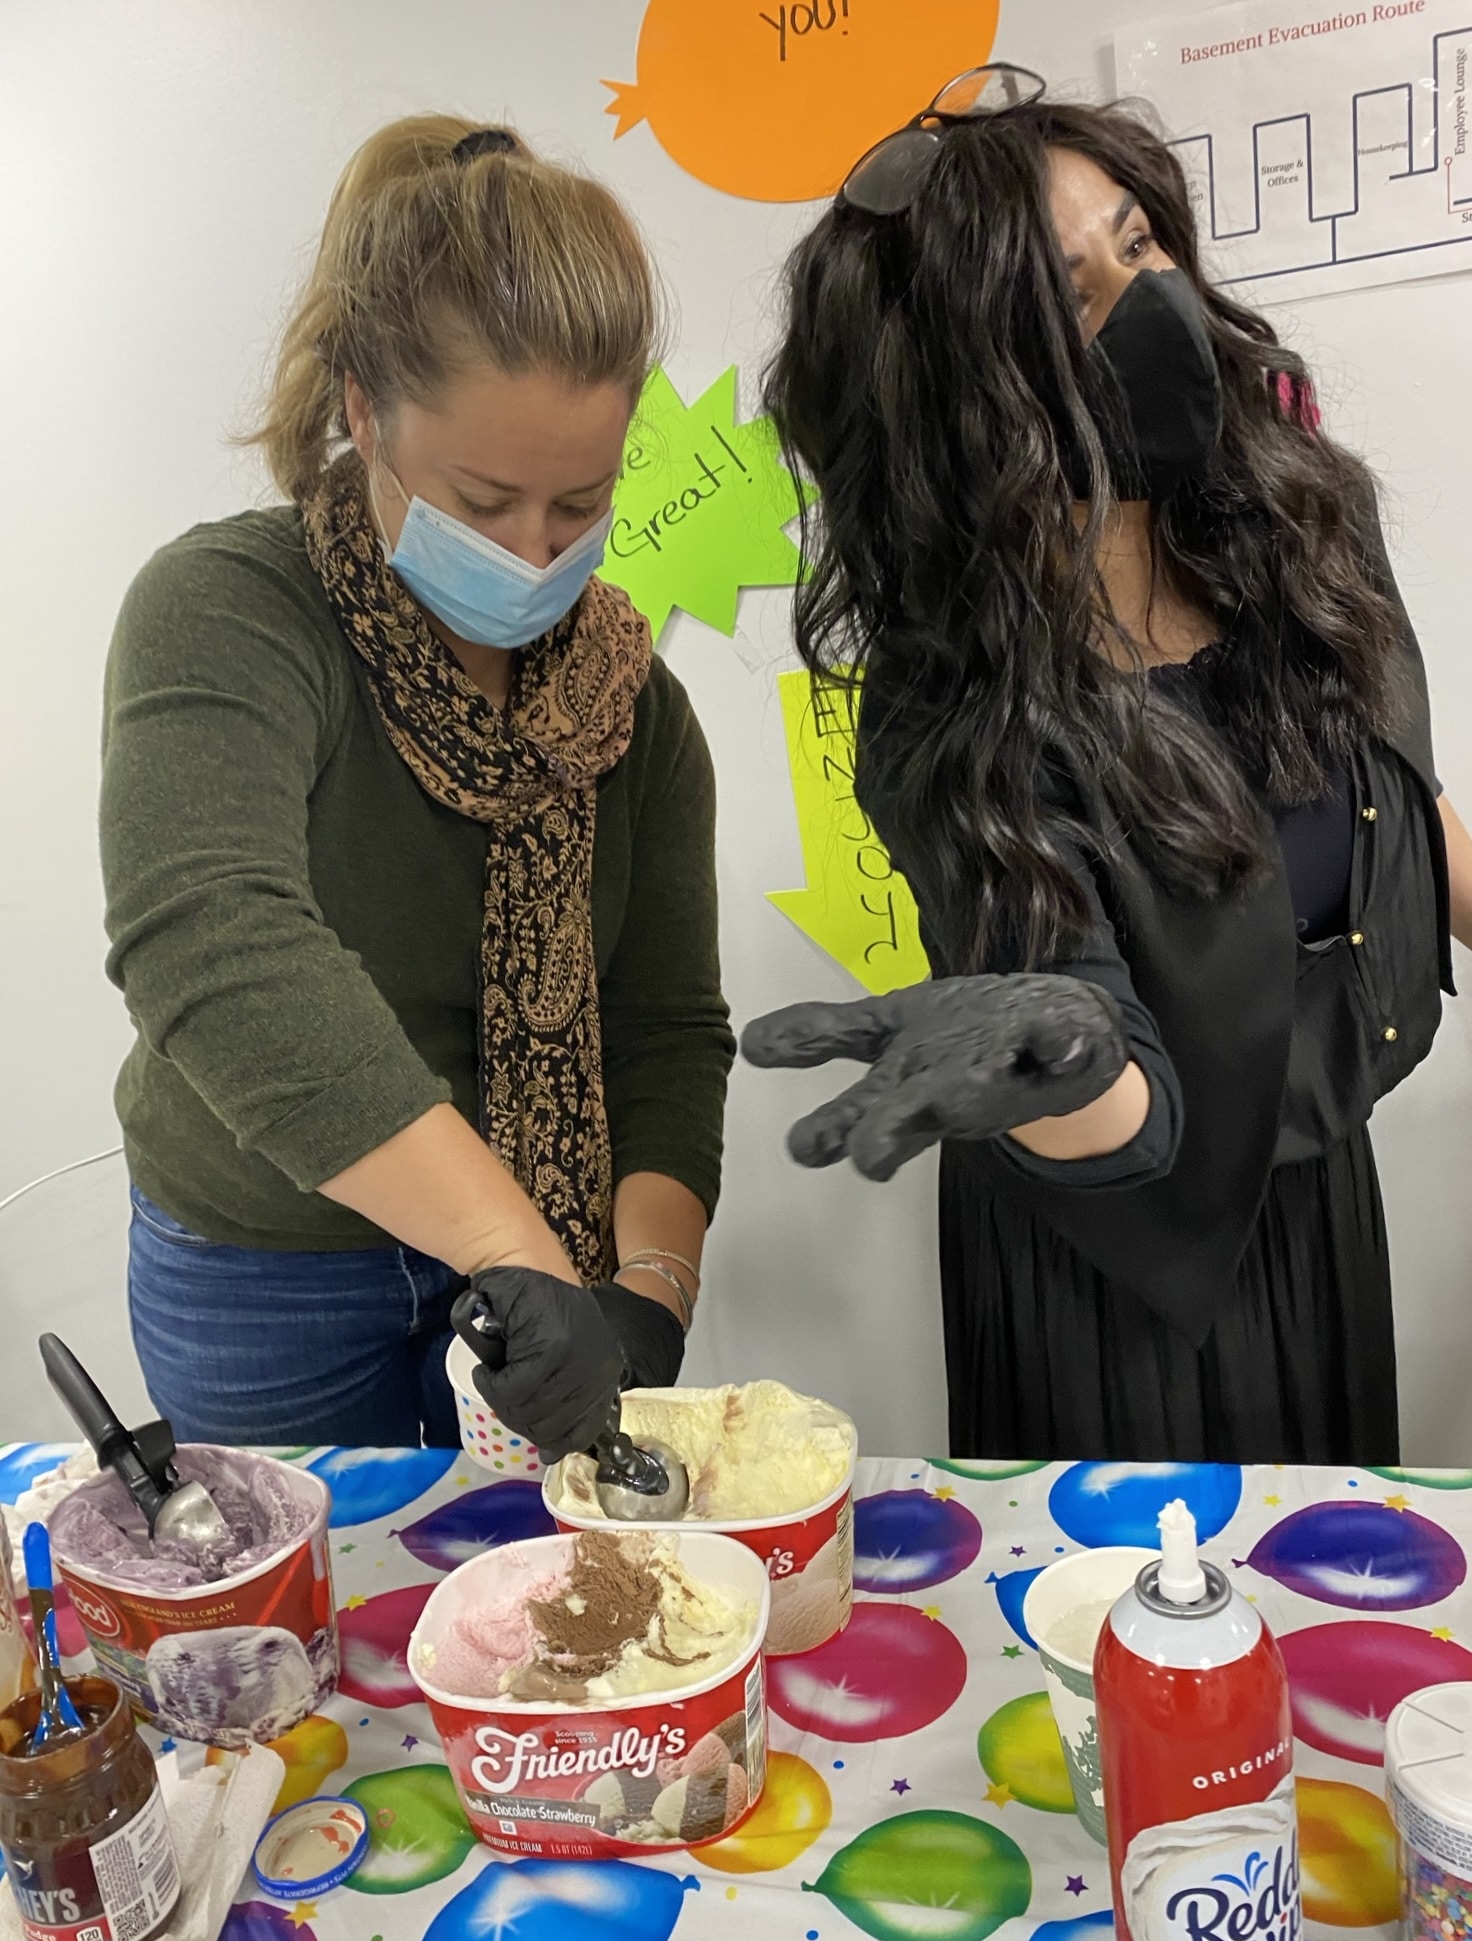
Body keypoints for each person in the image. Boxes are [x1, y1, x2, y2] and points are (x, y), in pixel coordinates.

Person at [747, 68, 1472, 1465]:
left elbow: (1401, 817)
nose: (1149, 305)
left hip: (1319, 1202)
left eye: (1137, 248)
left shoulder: (1304, 528)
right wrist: (1062, 1052)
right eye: (1072, 301)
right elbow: (1108, 1093)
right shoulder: (948, 709)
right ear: (965, 398)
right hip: (1115, 1265)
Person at [100, 118, 732, 1453]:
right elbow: (215, 944)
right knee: (298, 1629)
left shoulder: (638, 712)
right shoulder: (227, 612)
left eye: (579, 504)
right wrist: (513, 1246)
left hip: (537, 1269)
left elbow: (668, 1025)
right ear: (361, 413)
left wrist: (645, 1297)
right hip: (265, 1260)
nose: (534, 548)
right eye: (485, 497)